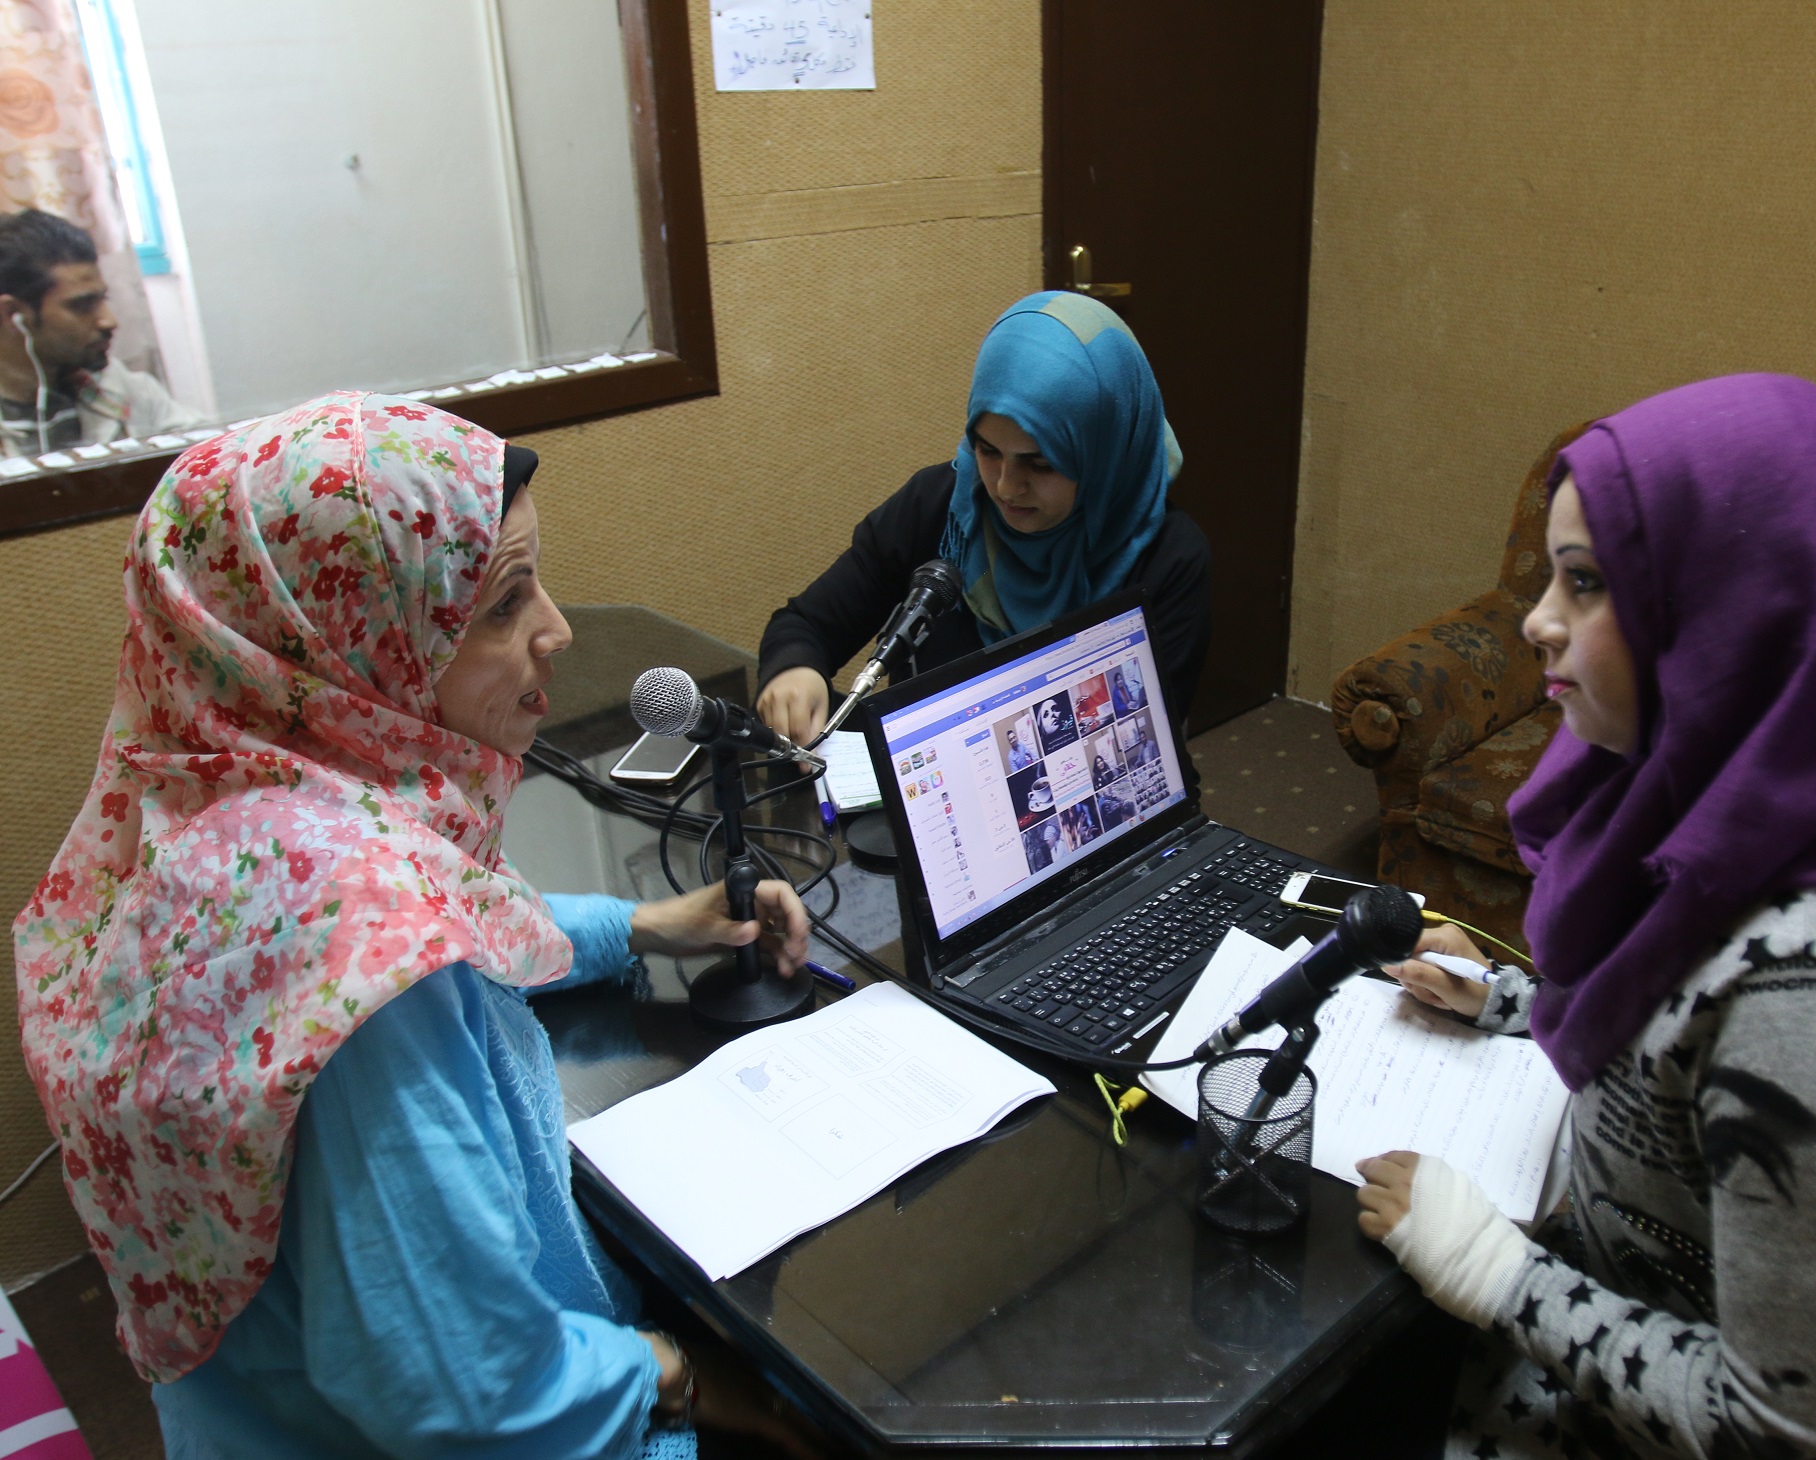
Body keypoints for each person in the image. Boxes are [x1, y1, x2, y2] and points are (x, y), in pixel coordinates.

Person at [15, 393, 818, 1459]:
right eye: (503, 603)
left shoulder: (202, 800)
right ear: (351, 635)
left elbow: (457, 923)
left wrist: (642, 925)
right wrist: (672, 1374)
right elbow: (472, 1392)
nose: (556, 631)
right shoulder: (361, 955)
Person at [1356, 375, 1816, 1459]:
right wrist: (1511, 1003)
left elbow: (1785, 1431)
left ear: (1737, 617)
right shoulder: (1790, 803)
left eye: (1585, 584)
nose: (1536, 621)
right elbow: (1687, 1019)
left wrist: (1493, 1272)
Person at [755, 291, 1212, 764]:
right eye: (988, 451)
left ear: (1106, 454)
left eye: (1040, 463)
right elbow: (806, 623)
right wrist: (795, 670)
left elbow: (1144, 746)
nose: (1006, 487)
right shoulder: (941, 505)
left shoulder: (1168, 559)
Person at [0, 208, 204, 456]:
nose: (109, 321)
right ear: (12, 314)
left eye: (102, 299)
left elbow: (209, 454)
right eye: (82, 305)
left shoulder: (124, 389)